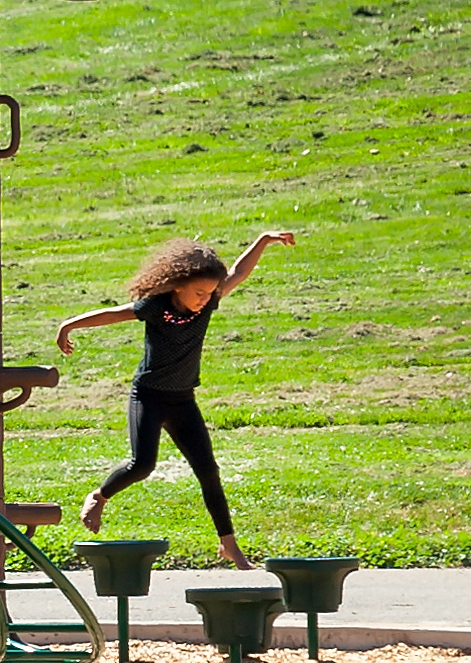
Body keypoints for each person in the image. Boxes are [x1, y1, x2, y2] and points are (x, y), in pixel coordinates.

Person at [56, 229, 297, 568]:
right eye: (199, 293)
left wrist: (263, 240)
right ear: (178, 285)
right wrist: (68, 325)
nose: (205, 300)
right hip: (149, 396)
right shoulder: (156, 307)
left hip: (183, 400)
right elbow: (113, 314)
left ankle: (229, 545)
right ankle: (99, 495)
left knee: (208, 472)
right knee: (142, 465)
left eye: (210, 293)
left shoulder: (208, 303)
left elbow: (239, 272)